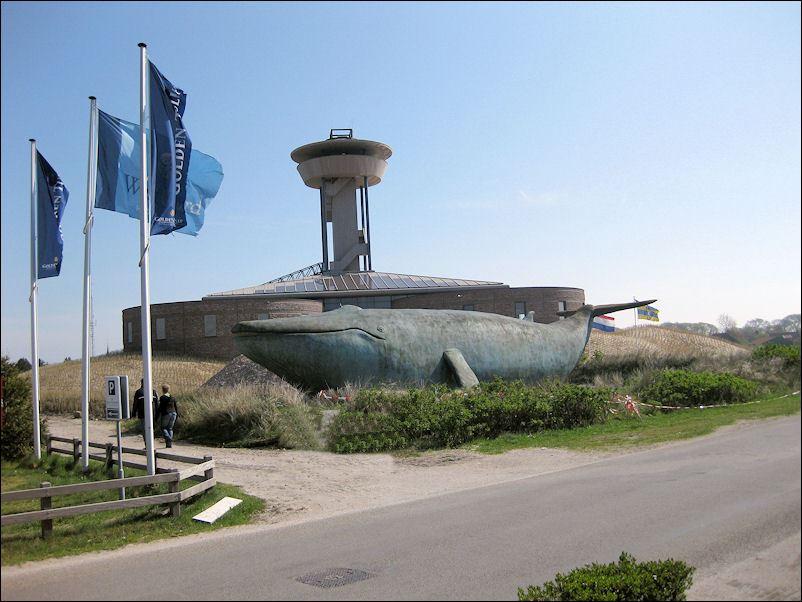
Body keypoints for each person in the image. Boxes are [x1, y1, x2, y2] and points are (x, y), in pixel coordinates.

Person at [132, 379, 159, 446]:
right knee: (151, 429)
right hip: (152, 414)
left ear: (141, 383)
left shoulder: (138, 392)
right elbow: (157, 404)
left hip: (142, 414)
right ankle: (151, 445)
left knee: (145, 430)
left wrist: (133, 414)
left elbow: (135, 404)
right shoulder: (153, 391)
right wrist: (157, 414)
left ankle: (147, 445)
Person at [157, 384, 178, 448]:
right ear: (169, 390)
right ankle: (169, 444)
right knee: (170, 428)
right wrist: (177, 414)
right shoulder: (173, 397)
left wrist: (157, 416)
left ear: (162, 390)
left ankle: (169, 438)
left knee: (163, 428)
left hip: (166, 414)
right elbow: (176, 407)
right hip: (174, 413)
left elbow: (160, 408)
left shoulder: (162, 398)